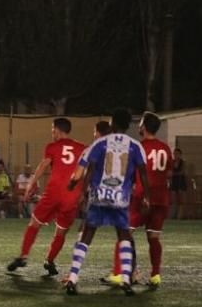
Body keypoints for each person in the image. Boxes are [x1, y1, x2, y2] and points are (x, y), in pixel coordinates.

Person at [63, 108, 150, 296]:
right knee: (123, 235)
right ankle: (126, 278)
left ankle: (72, 277)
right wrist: (146, 196)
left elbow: (91, 168)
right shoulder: (135, 146)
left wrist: (82, 193)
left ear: (112, 123)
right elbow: (143, 172)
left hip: (99, 195)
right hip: (120, 198)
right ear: (128, 125)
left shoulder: (101, 143)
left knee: (87, 234)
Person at [7, 118, 87, 277]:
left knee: (34, 223)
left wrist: (31, 183)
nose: (52, 134)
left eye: (52, 131)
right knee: (61, 231)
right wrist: (83, 192)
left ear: (57, 131)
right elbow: (86, 171)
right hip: (72, 195)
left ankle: (23, 256)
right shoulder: (82, 148)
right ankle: (49, 260)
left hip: (54, 192)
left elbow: (43, 165)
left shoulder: (53, 147)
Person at [103, 112, 172, 289]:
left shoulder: (139, 147)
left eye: (140, 124)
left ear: (144, 127)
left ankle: (119, 273)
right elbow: (168, 173)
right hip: (161, 199)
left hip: (142, 198)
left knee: (123, 234)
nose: (139, 126)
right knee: (154, 238)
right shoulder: (165, 148)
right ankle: (155, 275)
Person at [170, 148, 187, 220]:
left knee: (181, 201)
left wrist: (173, 174)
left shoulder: (182, 162)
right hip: (174, 182)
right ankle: (173, 216)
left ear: (180, 155)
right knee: (173, 200)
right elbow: (169, 172)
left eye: (177, 154)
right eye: (174, 154)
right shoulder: (172, 162)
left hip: (181, 182)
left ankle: (179, 216)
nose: (175, 155)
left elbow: (182, 172)